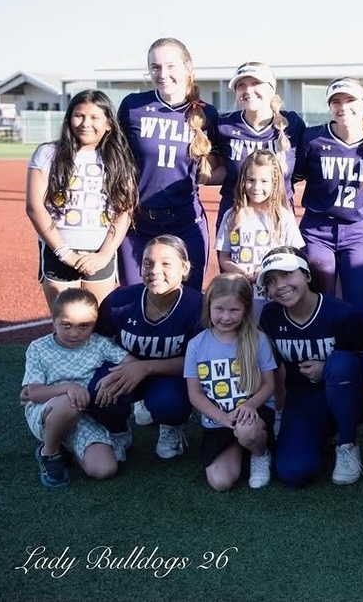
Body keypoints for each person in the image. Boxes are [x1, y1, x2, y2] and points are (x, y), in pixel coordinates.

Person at [257, 247, 363, 488]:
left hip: (349, 391)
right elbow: (275, 367)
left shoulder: (342, 313)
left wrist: (327, 369)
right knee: (293, 472)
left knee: (341, 363)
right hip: (304, 399)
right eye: (271, 280)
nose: (280, 285)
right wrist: (279, 411)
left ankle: (347, 443)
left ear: (307, 275)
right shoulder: (271, 316)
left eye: (287, 274)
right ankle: (322, 433)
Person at [117, 38, 220, 291]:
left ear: (188, 67)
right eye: (155, 67)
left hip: (185, 220)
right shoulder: (133, 106)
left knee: (188, 300)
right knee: (135, 297)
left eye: (171, 66)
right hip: (137, 223)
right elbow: (114, 160)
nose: (163, 74)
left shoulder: (208, 114)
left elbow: (219, 169)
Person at [90, 235, 204, 459]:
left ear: (185, 267)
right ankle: (118, 431)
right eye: (148, 263)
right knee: (96, 387)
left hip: (171, 376)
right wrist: (128, 364)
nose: (154, 270)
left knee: (170, 402)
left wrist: (145, 367)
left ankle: (171, 427)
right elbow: (97, 343)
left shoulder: (198, 306)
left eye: (166, 263)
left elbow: (199, 362)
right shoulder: (120, 301)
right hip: (125, 369)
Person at [25, 90, 139, 308]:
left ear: (109, 124)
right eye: (79, 116)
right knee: (65, 323)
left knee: (99, 324)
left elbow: (125, 210)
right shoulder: (48, 153)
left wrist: (104, 255)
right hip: (59, 253)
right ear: (69, 119)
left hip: (99, 256)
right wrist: (65, 253)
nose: (86, 123)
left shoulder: (119, 158)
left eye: (95, 117)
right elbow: (34, 207)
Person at [21, 288, 135, 487]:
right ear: (53, 321)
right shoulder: (38, 347)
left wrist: (114, 380)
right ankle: (49, 452)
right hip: (47, 411)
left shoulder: (100, 344)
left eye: (84, 326)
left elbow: (132, 364)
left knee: (105, 469)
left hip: (85, 415)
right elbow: (35, 394)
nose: (74, 333)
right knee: (69, 404)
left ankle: (66, 445)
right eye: (66, 325)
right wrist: (68, 388)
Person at [295, 77, 363, 307]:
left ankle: (355, 344)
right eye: (336, 101)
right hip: (317, 229)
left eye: (350, 99)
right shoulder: (313, 138)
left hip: (359, 232)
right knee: (320, 300)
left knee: (358, 303)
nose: (343, 106)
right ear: (329, 107)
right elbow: (294, 177)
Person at [184, 274, 277, 491]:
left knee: (246, 432)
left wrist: (249, 406)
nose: (226, 317)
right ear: (208, 307)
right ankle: (238, 446)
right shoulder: (197, 345)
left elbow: (269, 385)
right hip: (219, 420)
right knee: (220, 482)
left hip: (253, 413)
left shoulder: (257, 339)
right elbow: (195, 394)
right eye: (219, 309)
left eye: (234, 310)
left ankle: (260, 453)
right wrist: (223, 419)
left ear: (245, 309)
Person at [214, 62, 306, 232]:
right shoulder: (224, 126)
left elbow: (300, 170)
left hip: (279, 215)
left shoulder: (292, 124)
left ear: (272, 89)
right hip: (235, 214)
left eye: (256, 83)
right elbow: (219, 168)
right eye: (241, 85)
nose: (248, 90)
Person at [215, 149, 304, 320]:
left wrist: (266, 271)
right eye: (251, 180)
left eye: (264, 181)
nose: (256, 187)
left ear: (275, 183)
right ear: (243, 181)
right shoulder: (232, 216)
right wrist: (239, 271)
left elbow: (294, 259)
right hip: (240, 296)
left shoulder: (283, 217)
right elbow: (223, 258)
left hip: (273, 299)